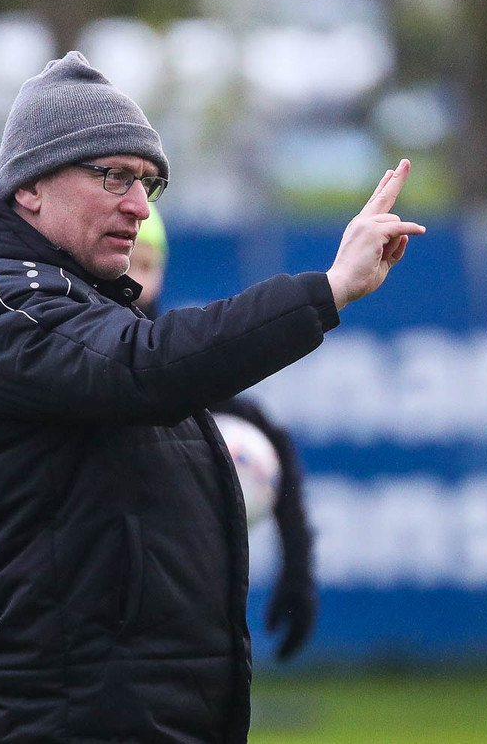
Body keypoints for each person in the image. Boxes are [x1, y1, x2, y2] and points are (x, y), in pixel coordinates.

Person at [0, 51, 425, 744]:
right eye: (114, 176)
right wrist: (326, 290)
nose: (139, 205)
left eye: (148, 182)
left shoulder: (75, 301)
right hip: (76, 721)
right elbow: (144, 368)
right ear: (30, 187)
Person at [128, 206, 317, 662]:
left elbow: (265, 435)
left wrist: (297, 566)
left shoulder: (173, 357)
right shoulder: (64, 353)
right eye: (128, 261)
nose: (137, 281)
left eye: (148, 265)